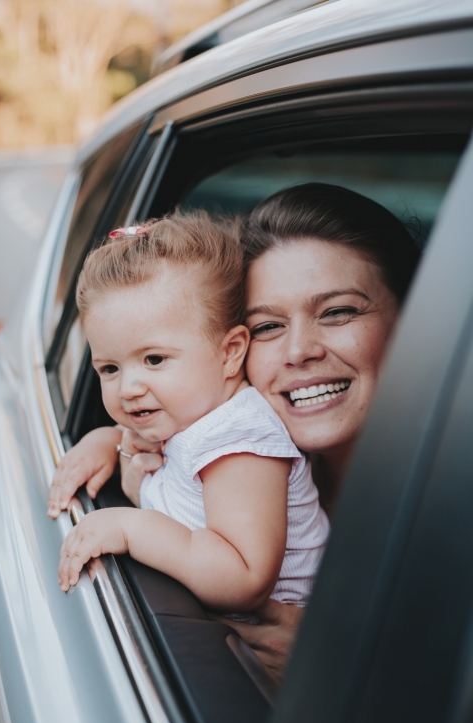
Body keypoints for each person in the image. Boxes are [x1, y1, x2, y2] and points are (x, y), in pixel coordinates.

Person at [51, 183, 420, 679]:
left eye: (337, 312)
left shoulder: (444, 513)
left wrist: (342, 675)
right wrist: (110, 441)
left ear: (417, 321)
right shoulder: (214, 425)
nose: (299, 351)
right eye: (268, 326)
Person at [54, 213, 329, 614]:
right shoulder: (189, 411)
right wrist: (107, 441)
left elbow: (244, 577)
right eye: (109, 368)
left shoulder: (238, 441)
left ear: (230, 352)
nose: (129, 387)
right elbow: (142, 439)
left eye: (154, 358)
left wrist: (131, 529)